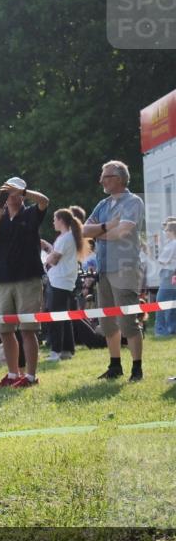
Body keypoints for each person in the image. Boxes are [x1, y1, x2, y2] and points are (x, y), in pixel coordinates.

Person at [82, 161, 147, 380]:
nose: (101, 180)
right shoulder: (103, 204)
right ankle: (115, 365)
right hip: (104, 269)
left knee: (128, 322)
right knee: (107, 322)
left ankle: (137, 369)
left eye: (106, 176)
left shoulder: (133, 202)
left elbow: (123, 233)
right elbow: (84, 230)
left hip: (124, 268)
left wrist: (99, 231)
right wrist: (107, 226)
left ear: (119, 179)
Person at [0, 181, 50, 388]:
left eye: (14, 192)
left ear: (22, 194)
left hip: (28, 279)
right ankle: (13, 374)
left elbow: (44, 201)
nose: (10, 196)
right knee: (4, 329)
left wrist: (22, 191)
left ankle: (31, 376)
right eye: (6, 192)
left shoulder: (31, 212)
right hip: (3, 280)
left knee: (28, 329)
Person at [45, 208, 89, 359]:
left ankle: (56, 351)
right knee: (64, 317)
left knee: (56, 317)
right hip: (63, 280)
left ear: (61, 220)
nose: (53, 222)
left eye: (54, 219)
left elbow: (55, 259)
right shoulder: (67, 237)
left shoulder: (65, 238)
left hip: (60, 281)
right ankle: (67, 350)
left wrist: (47, 258)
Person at [153, 220, 176, 336]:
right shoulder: (172, 243)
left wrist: (152, 251)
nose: (165, 232)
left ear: (171, 231)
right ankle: (172, 328)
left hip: (168, 275)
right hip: (173, 275)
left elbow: (161, 260)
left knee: (160, 302)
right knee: (172, 303)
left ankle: (160, 330)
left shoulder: (172, 244)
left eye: (166, 230)